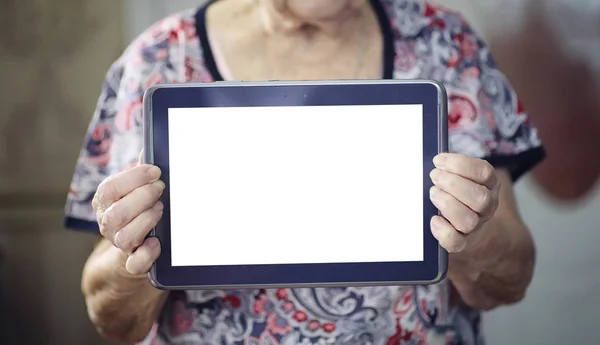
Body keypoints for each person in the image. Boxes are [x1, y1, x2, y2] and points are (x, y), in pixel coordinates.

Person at [64, 0, 545, 344]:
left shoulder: (446, 42)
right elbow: (112, 319)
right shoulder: (158, 58)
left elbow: (511, 280)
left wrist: (472, 237)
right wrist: (134, 256)